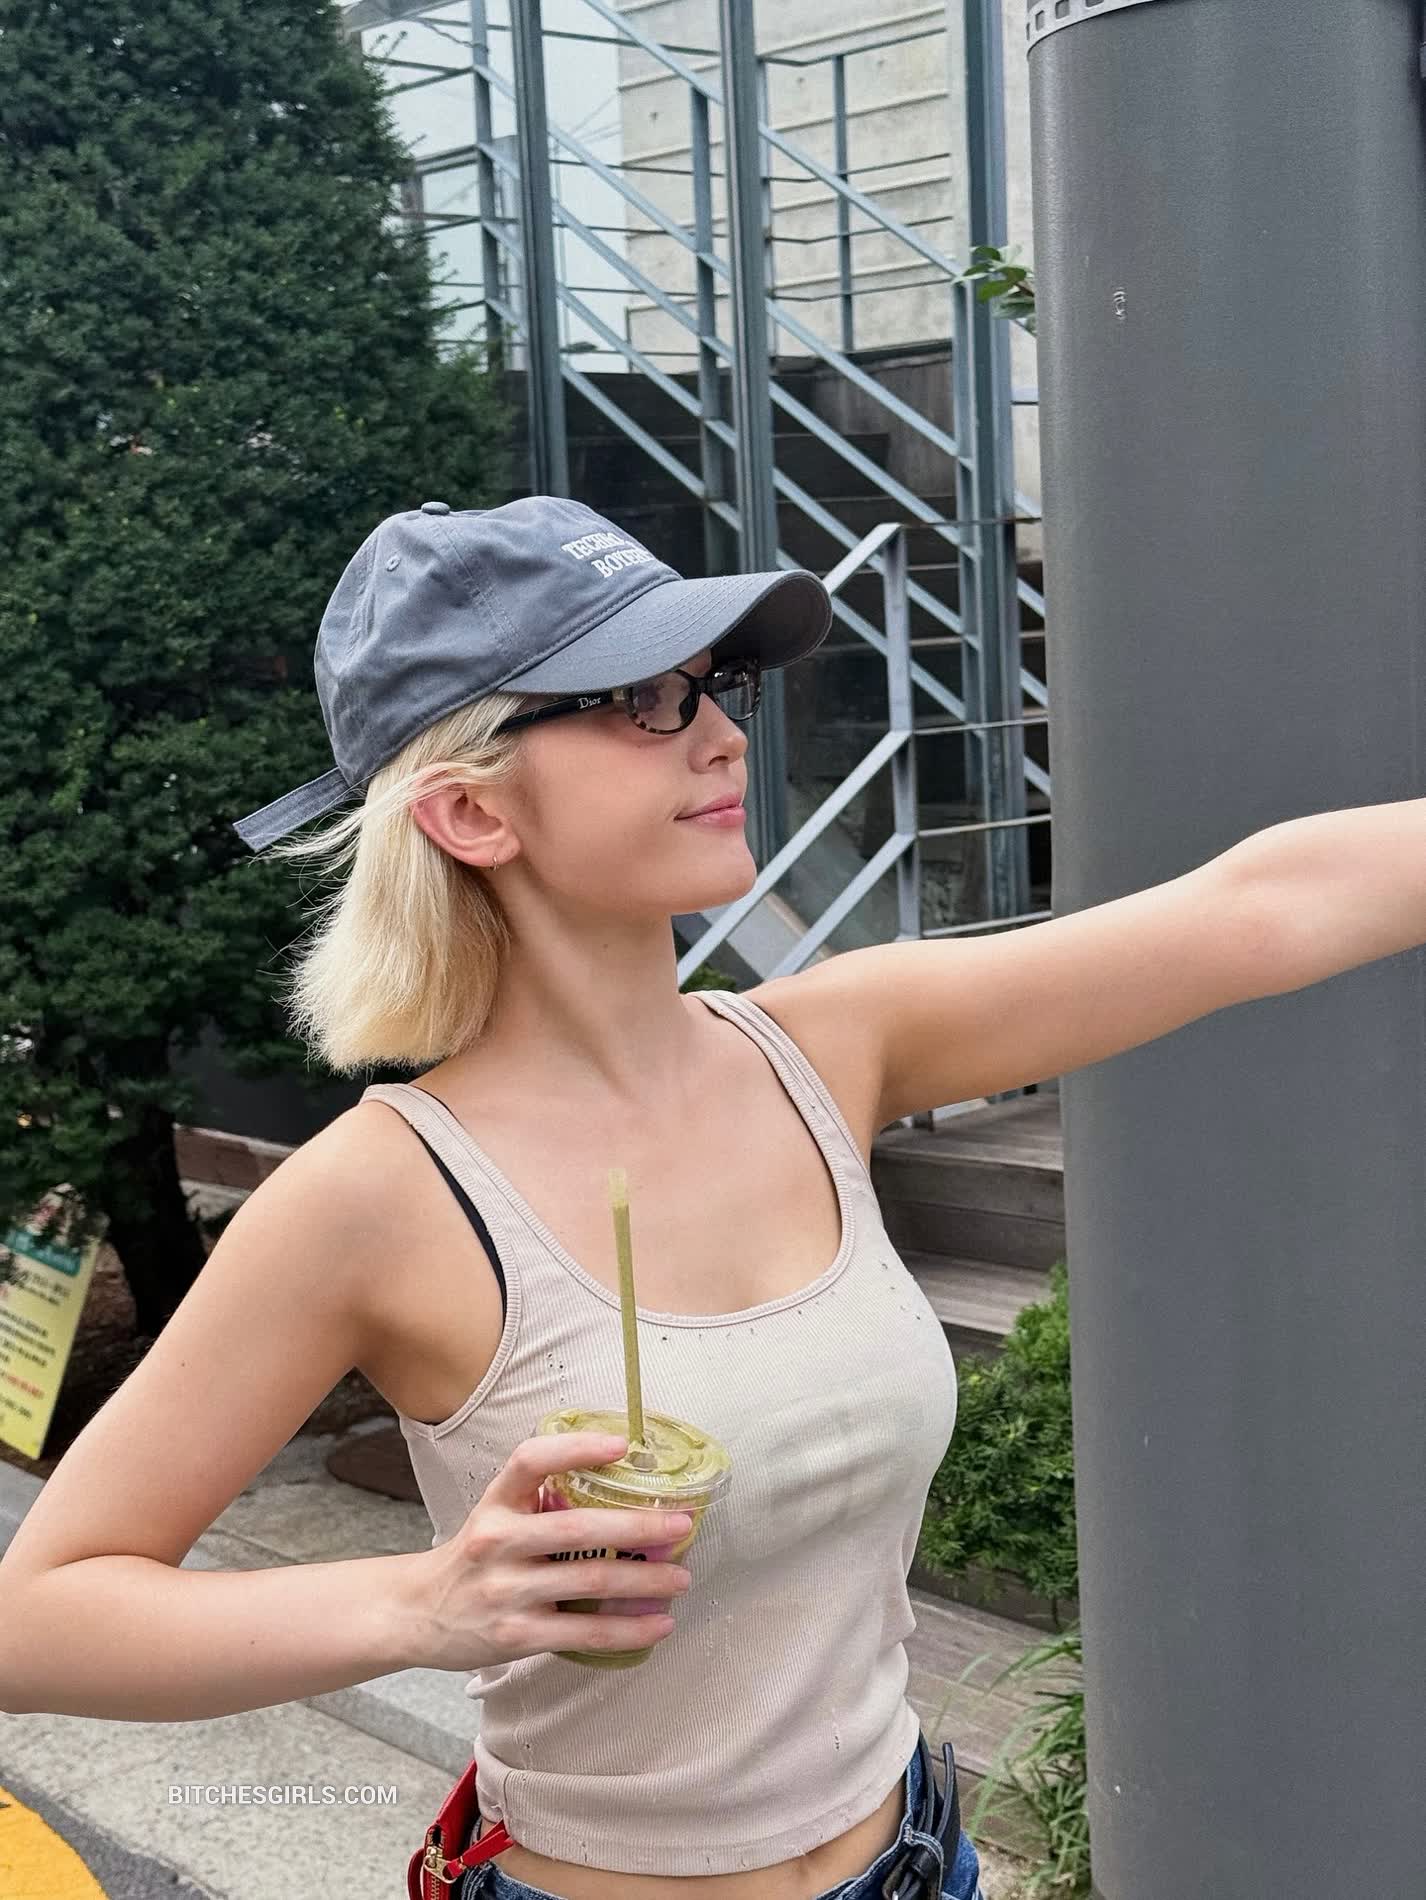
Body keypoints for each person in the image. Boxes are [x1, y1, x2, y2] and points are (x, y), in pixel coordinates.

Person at [0, 494, 1005, 1899]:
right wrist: (422, 1604)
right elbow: (35, 1623)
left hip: (920, 1860)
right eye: (642, 701)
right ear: (470, 809)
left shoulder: (838, 1041)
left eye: (713, 685)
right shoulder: (378, 1192)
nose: (724, 735)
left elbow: (1260, 908)